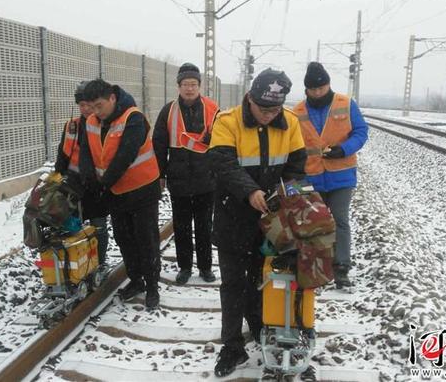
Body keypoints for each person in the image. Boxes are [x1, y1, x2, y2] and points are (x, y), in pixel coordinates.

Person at [209, 68, 307, 377]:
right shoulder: (227, 121)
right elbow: (221, 164)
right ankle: (232, 346)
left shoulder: (290, 122)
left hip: (271, 219)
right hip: (233, 214)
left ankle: (261, 328)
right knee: (233, 282)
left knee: (263, 279)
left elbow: (296, 166)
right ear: (249, 99)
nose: (268, 115)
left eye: (274, 109)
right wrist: (249, 191)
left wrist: (284, 193)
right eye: (263, 109)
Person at [78, 79, 162, 308]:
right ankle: (136, 280)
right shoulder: (92, 121)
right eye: (91, 107)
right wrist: (89, 180)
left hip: (142, 191)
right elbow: (85, 153)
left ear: (112, 98)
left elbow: (125, 156)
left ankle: (153, 286)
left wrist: (103, 184)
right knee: (124, 238)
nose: (95, 112)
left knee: (146, 240)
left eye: (99, 106)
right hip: (116, 193)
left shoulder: (133, 118)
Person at [293, 62, 368, 288]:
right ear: (306, 90)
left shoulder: (346, 104)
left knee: (340, 220)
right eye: (313, 90)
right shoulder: (297, 112)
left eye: (321, 88)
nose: (317, 93)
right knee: (315, 223)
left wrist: (344, 149)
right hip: (312, 176)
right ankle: (318, 266)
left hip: (341, 174)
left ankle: (341, 267)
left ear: (328, 85)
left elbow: (361, 132)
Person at [153, 63, 218, 285]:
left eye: (193, 84)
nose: (189, 88)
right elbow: (159, 144)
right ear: (178, 86)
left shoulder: (212, 109)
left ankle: (206, 267)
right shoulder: (168, 111)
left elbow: (225, 143)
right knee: (181, 226)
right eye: (185, 84)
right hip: (179, 178)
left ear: (199, 86)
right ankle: (185, 267)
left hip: (206, 178)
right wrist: (160, 174)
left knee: (203, 226)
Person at [54, 82, 109, 266]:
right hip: (73, 187)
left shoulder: (104, 126)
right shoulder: (72, 126)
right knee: (73, 229)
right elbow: (62, 154)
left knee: (98, 226)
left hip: (96, 186)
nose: (85, 109)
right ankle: (80, 264)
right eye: (82, 105)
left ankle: (99, 262)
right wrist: (58, 177)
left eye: (89, 105)